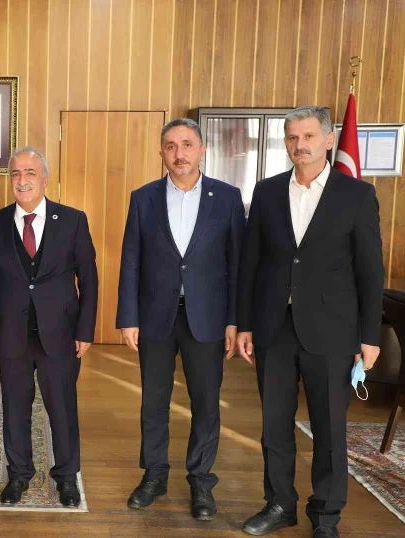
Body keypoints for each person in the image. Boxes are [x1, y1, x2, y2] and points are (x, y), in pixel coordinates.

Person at [237, 106, 383, 538]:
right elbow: (251, 264)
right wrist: (244, 324)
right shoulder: (266, 192)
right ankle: (279, 504)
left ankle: (326, 516)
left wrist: (369, 336)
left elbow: (369, 271)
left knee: (329, 428)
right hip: (273, 326)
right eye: (292, 137)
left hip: (332, 330)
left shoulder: (356, 195)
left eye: (308, 136)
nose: (299, 145)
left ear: (329, 140)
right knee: (274, 425)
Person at [116, 118, 245, 521]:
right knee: (153, 400)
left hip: (207, 317)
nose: (179, 153)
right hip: (155, 314)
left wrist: (234, 320)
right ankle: (154, 475)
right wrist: (128, 317)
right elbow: (131, 260)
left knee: (205, 402)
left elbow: (238, 265)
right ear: (161, 152)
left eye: (187, 144)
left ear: (202, 149)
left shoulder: (227, 198)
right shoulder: (143, 198)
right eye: (171, 146)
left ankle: (201, 481)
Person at [0, 147, 97, 507]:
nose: (22, 180)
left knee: (62, 408)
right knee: (15, 407)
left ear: (44, 179)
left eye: (30, 172)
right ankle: (18, 475)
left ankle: (66, 477)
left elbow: (89, 279)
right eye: (15, 173)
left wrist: (85, 330)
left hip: (60, 333)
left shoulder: (73, 220)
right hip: (10, 333)